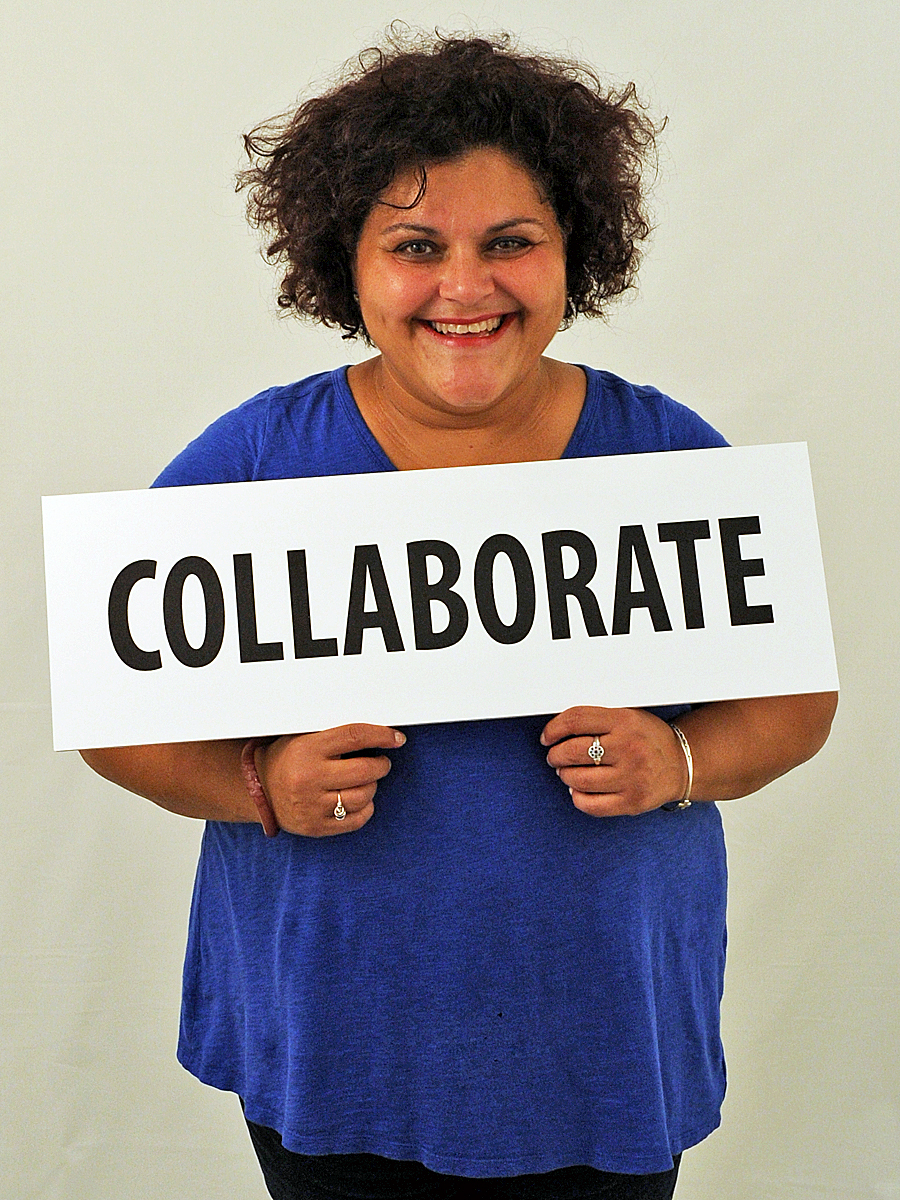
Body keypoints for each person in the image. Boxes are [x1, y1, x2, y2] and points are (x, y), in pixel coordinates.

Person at [81, 30, 837, 1200]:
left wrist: (684, 759)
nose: (467, 287)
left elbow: (796, 703)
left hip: (605, 1046)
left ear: (574, 249)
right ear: (348, 262)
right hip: (336, 1041)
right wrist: (256, 785)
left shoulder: (670, 456)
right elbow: (114, 715)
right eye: (417, 247)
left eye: (511, 242)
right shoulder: (254, 460)